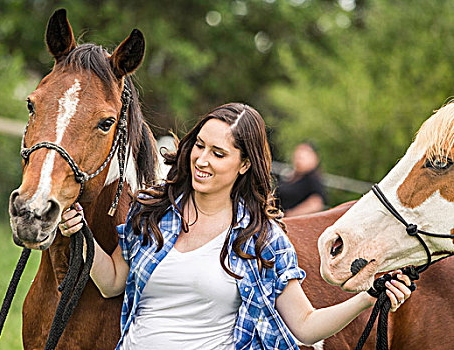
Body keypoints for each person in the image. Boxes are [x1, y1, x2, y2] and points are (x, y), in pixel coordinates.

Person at [59, 103, 412, 350]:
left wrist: (368, 298)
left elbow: (305, 326)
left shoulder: (261, 238)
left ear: (244, 165)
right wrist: (81, 234)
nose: (202, 159)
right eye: (199, 145)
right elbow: (112, 283)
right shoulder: (154, 213)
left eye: (218, 153)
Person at [275, 142, 325, 217]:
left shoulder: (312, 180)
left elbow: (316, 204)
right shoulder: (291, 177)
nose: (298, 160)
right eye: (297, 157)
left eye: (302, 157)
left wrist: (290, 215)